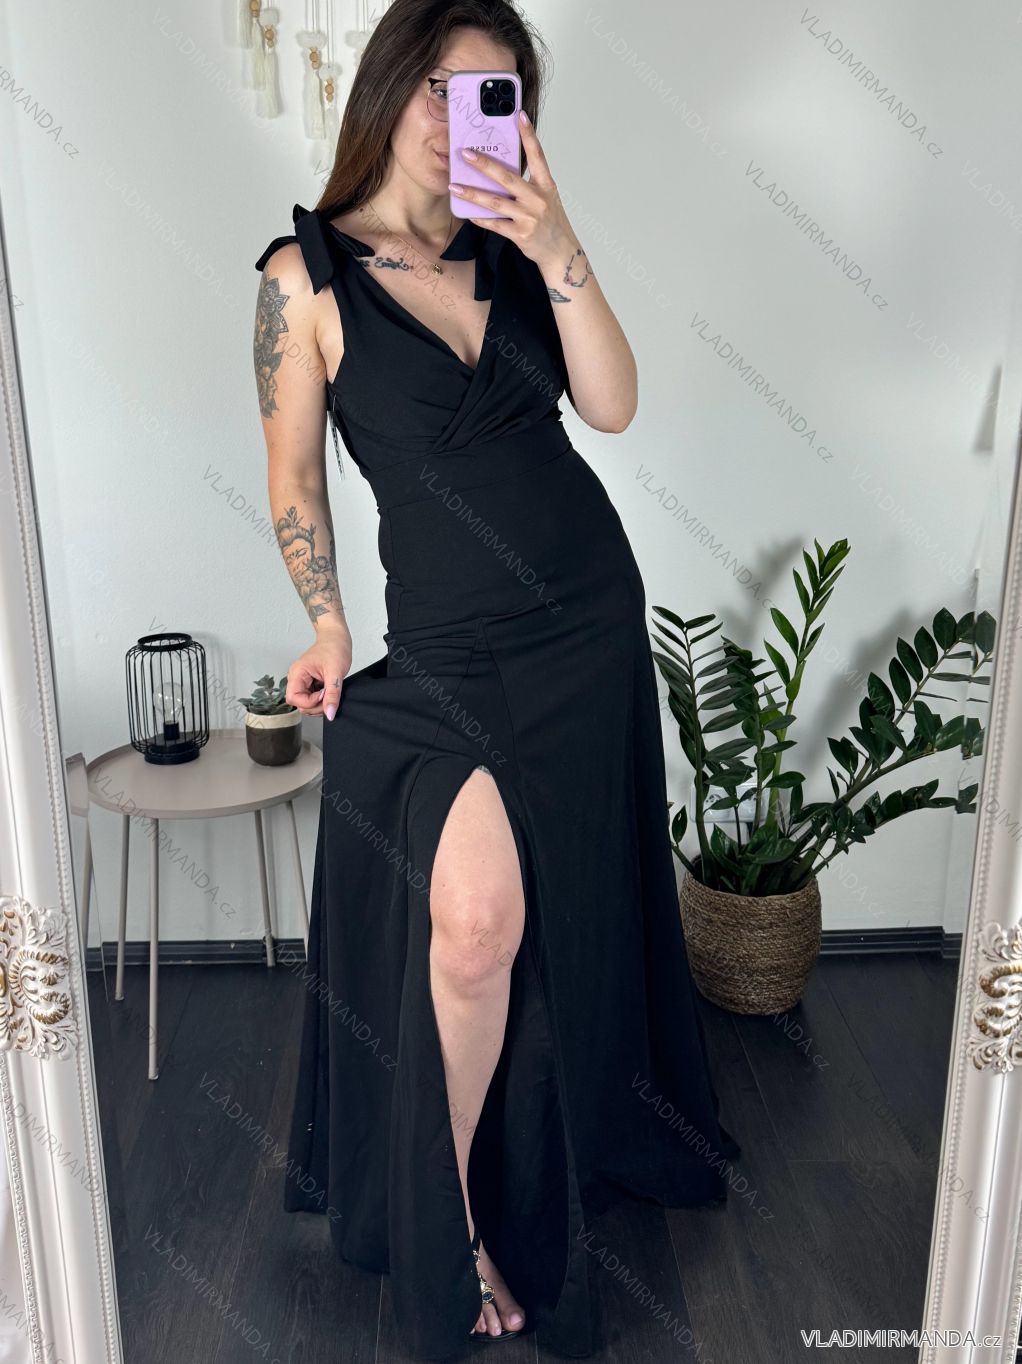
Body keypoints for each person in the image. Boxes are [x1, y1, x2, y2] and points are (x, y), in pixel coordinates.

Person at [253, 1, 740, 1357]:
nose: (455, 117)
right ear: (388, 86)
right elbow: (295, 479)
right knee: (470, 931)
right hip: (449, 652)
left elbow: (613, 405)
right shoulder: (303, 278)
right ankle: (454, 1221)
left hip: (586, 627)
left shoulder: (520, 251)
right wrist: (328, 623)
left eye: (493, 96)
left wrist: (559, 241)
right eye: (438, 86)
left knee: (559, 912)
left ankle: (554, 1151)